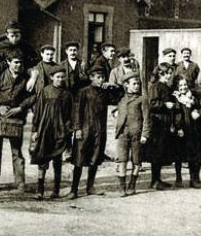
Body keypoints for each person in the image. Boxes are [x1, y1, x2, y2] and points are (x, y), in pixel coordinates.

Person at [0, 49, 36, 192]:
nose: (18, 65)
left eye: (20, 63)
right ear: (8, 62)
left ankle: (20, 181)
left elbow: (33, 96)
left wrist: (21, 108)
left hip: (16, 118)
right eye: (15, 62)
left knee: (17, 151)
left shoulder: (26, 79)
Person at [69, 66, 119, 198]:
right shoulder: (83, 92)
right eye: (98, 77)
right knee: (79, 159)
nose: (101, 80)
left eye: (103, 77)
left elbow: (117, 98)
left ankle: (90, 187)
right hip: (85, 129)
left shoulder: (105, 92)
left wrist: (113, 87)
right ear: (91, 78)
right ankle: (73, 190)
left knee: (95, 158)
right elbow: (76, 111)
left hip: (99, 130)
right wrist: (77, 128)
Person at [30, 67, 72, 199]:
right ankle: (40, 190)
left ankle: (56, 190)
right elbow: (38, 111)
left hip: (60, 131)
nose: (60, 79)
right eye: (57, 77)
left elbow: (70, 114)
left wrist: (68, 129)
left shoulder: (67, 94)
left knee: (57, 160)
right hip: (45, 130)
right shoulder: (45, 91)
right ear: (52, 77)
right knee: (42, 159)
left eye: (62, 77)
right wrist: (35, 130)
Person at [114, 72, 149, 196]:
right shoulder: (122, 99)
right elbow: (118, 109)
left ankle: (132, 184)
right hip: (123, 133)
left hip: (137, 134)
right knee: (122, 160)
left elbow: (146, 117)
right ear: (126, 85)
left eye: (138, 84)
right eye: (134, 84)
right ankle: (122, 187)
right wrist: (115, 113)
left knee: (136, 160)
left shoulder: (142, 99)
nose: (136, 86)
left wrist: (145, 134)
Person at [146, 64, 177, 190]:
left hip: (164, 122)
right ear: (161, 74)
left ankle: (158, 179)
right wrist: (165, 104)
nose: (170, 76)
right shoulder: (156, 86)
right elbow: (152, 103)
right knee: (156, 152)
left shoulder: (166, 87)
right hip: (157, 123)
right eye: (167, 73)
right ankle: (155, 180)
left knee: (161, 152)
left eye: (170, 73)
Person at [172, 75, 201, 188]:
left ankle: (193, 178)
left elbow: (199, 107)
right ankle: (178, 178)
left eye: (185, 85)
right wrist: (178, 127)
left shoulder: (192, 97)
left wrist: (196, 111)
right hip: (181, 129)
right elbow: (175, 114)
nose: (183, 87)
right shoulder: (175, 97)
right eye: (180, 85)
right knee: (179, 155)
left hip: (192, 128)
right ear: (177, 86)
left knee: (192, 154)